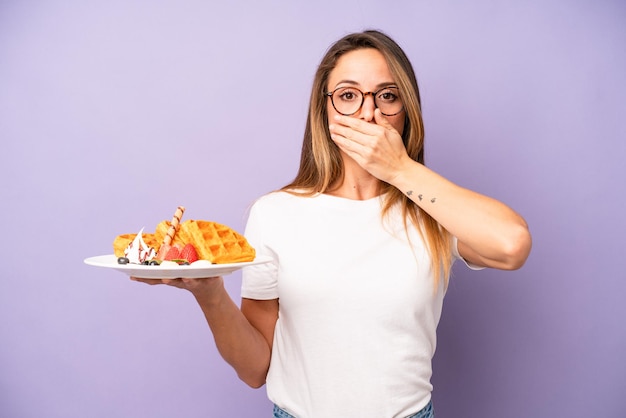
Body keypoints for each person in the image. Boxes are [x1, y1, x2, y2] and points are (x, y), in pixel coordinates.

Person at [132, 30, 532, 418]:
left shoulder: (434, 210)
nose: (368, 111)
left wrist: (399, 170)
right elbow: (255, 370)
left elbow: (512, 245)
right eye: (348, 95)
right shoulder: (275, 213)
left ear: (406, 111)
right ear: (323, 111)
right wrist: (211, 295)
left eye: (387, 96)